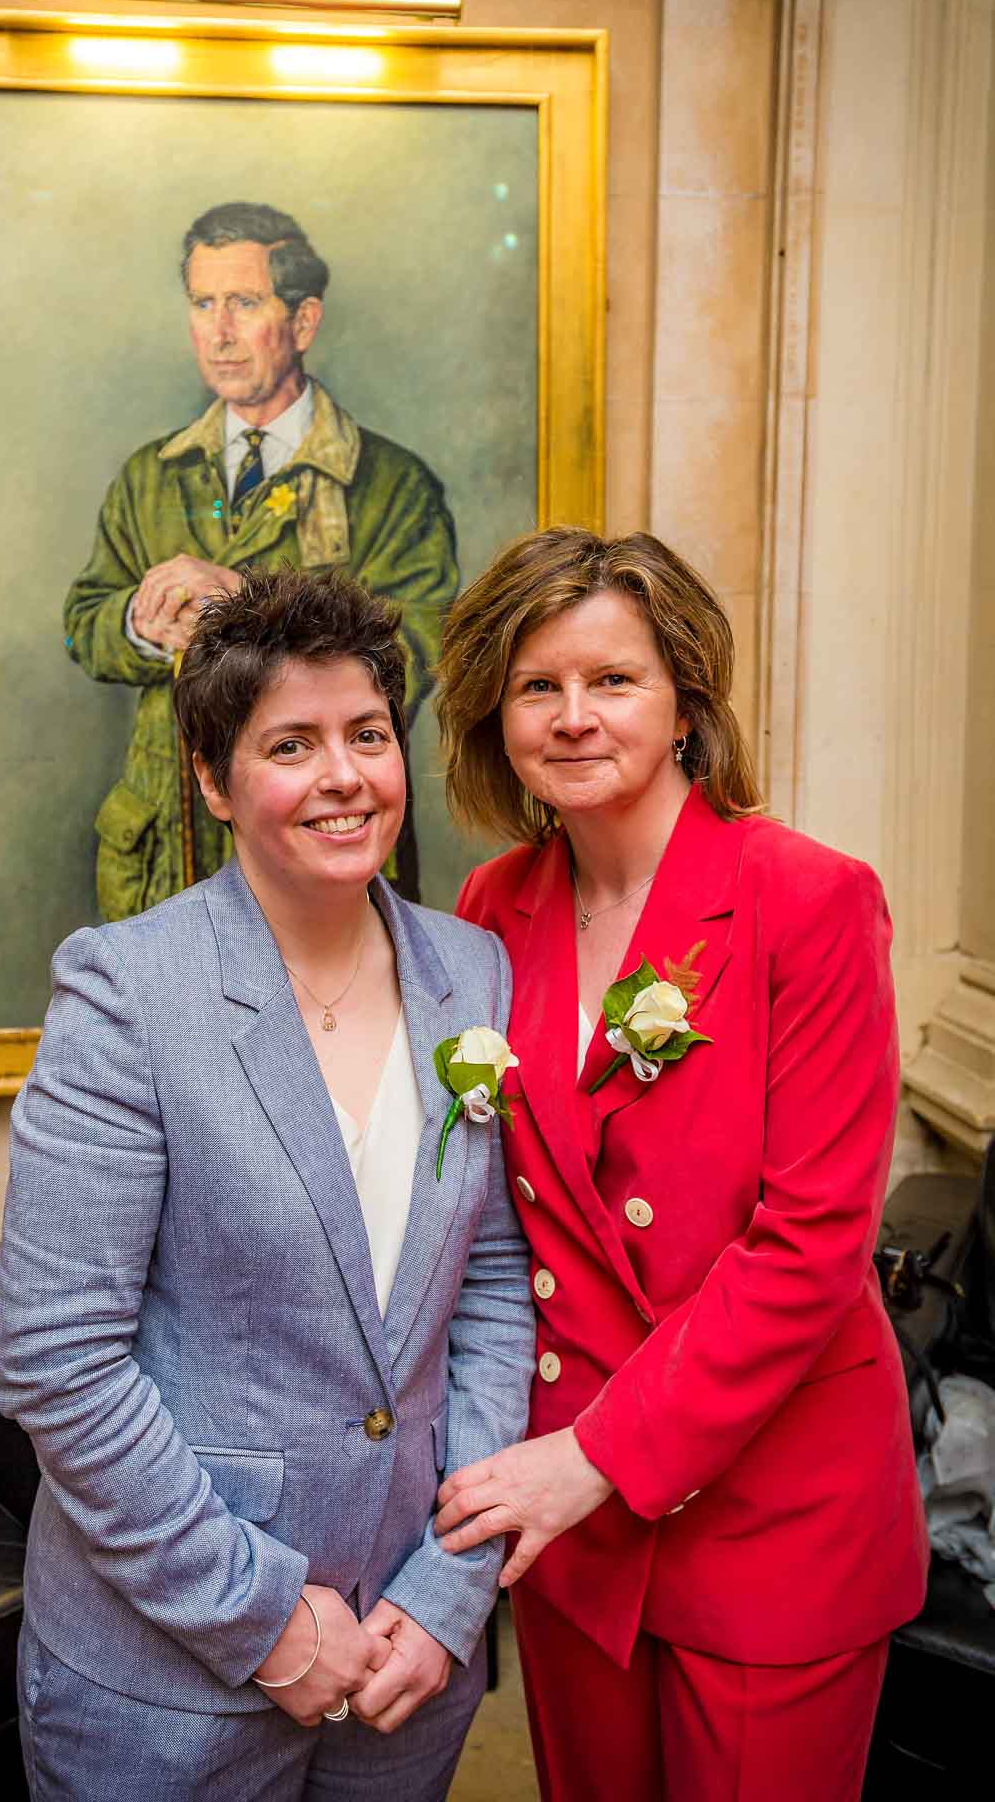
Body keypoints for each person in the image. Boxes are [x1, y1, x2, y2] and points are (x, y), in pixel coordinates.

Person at [0, 567, 534, 1800]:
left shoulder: (476, 975)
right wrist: (266, 1619)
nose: (344, 776)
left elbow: (493, 1287)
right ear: (212, 778)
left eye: (368, 735)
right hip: (174, 1671)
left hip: (406, 1653)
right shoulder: (127, 992)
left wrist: (451, 1587)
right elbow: (56, 1360)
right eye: (291, 744)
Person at [429, 527, 929, 1802]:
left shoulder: (805, 898)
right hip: (575, 1525)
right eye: (538, 686)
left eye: (614, 680)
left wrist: (589, 1457)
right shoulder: (493, 904)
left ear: (687, 704)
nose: (574, 717)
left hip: (767, 1506)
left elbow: (811, 1244)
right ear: (498, 716)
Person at [63, 201, 459, 920]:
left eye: (244, 303)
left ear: (304, 321)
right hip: (167, 853)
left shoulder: (393, 485)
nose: (219, 332)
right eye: (203, 303)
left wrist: (244, 604)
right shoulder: (148, 477)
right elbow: (84, 621)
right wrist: (141, 622)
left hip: (324, 849)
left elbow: (417, 652)